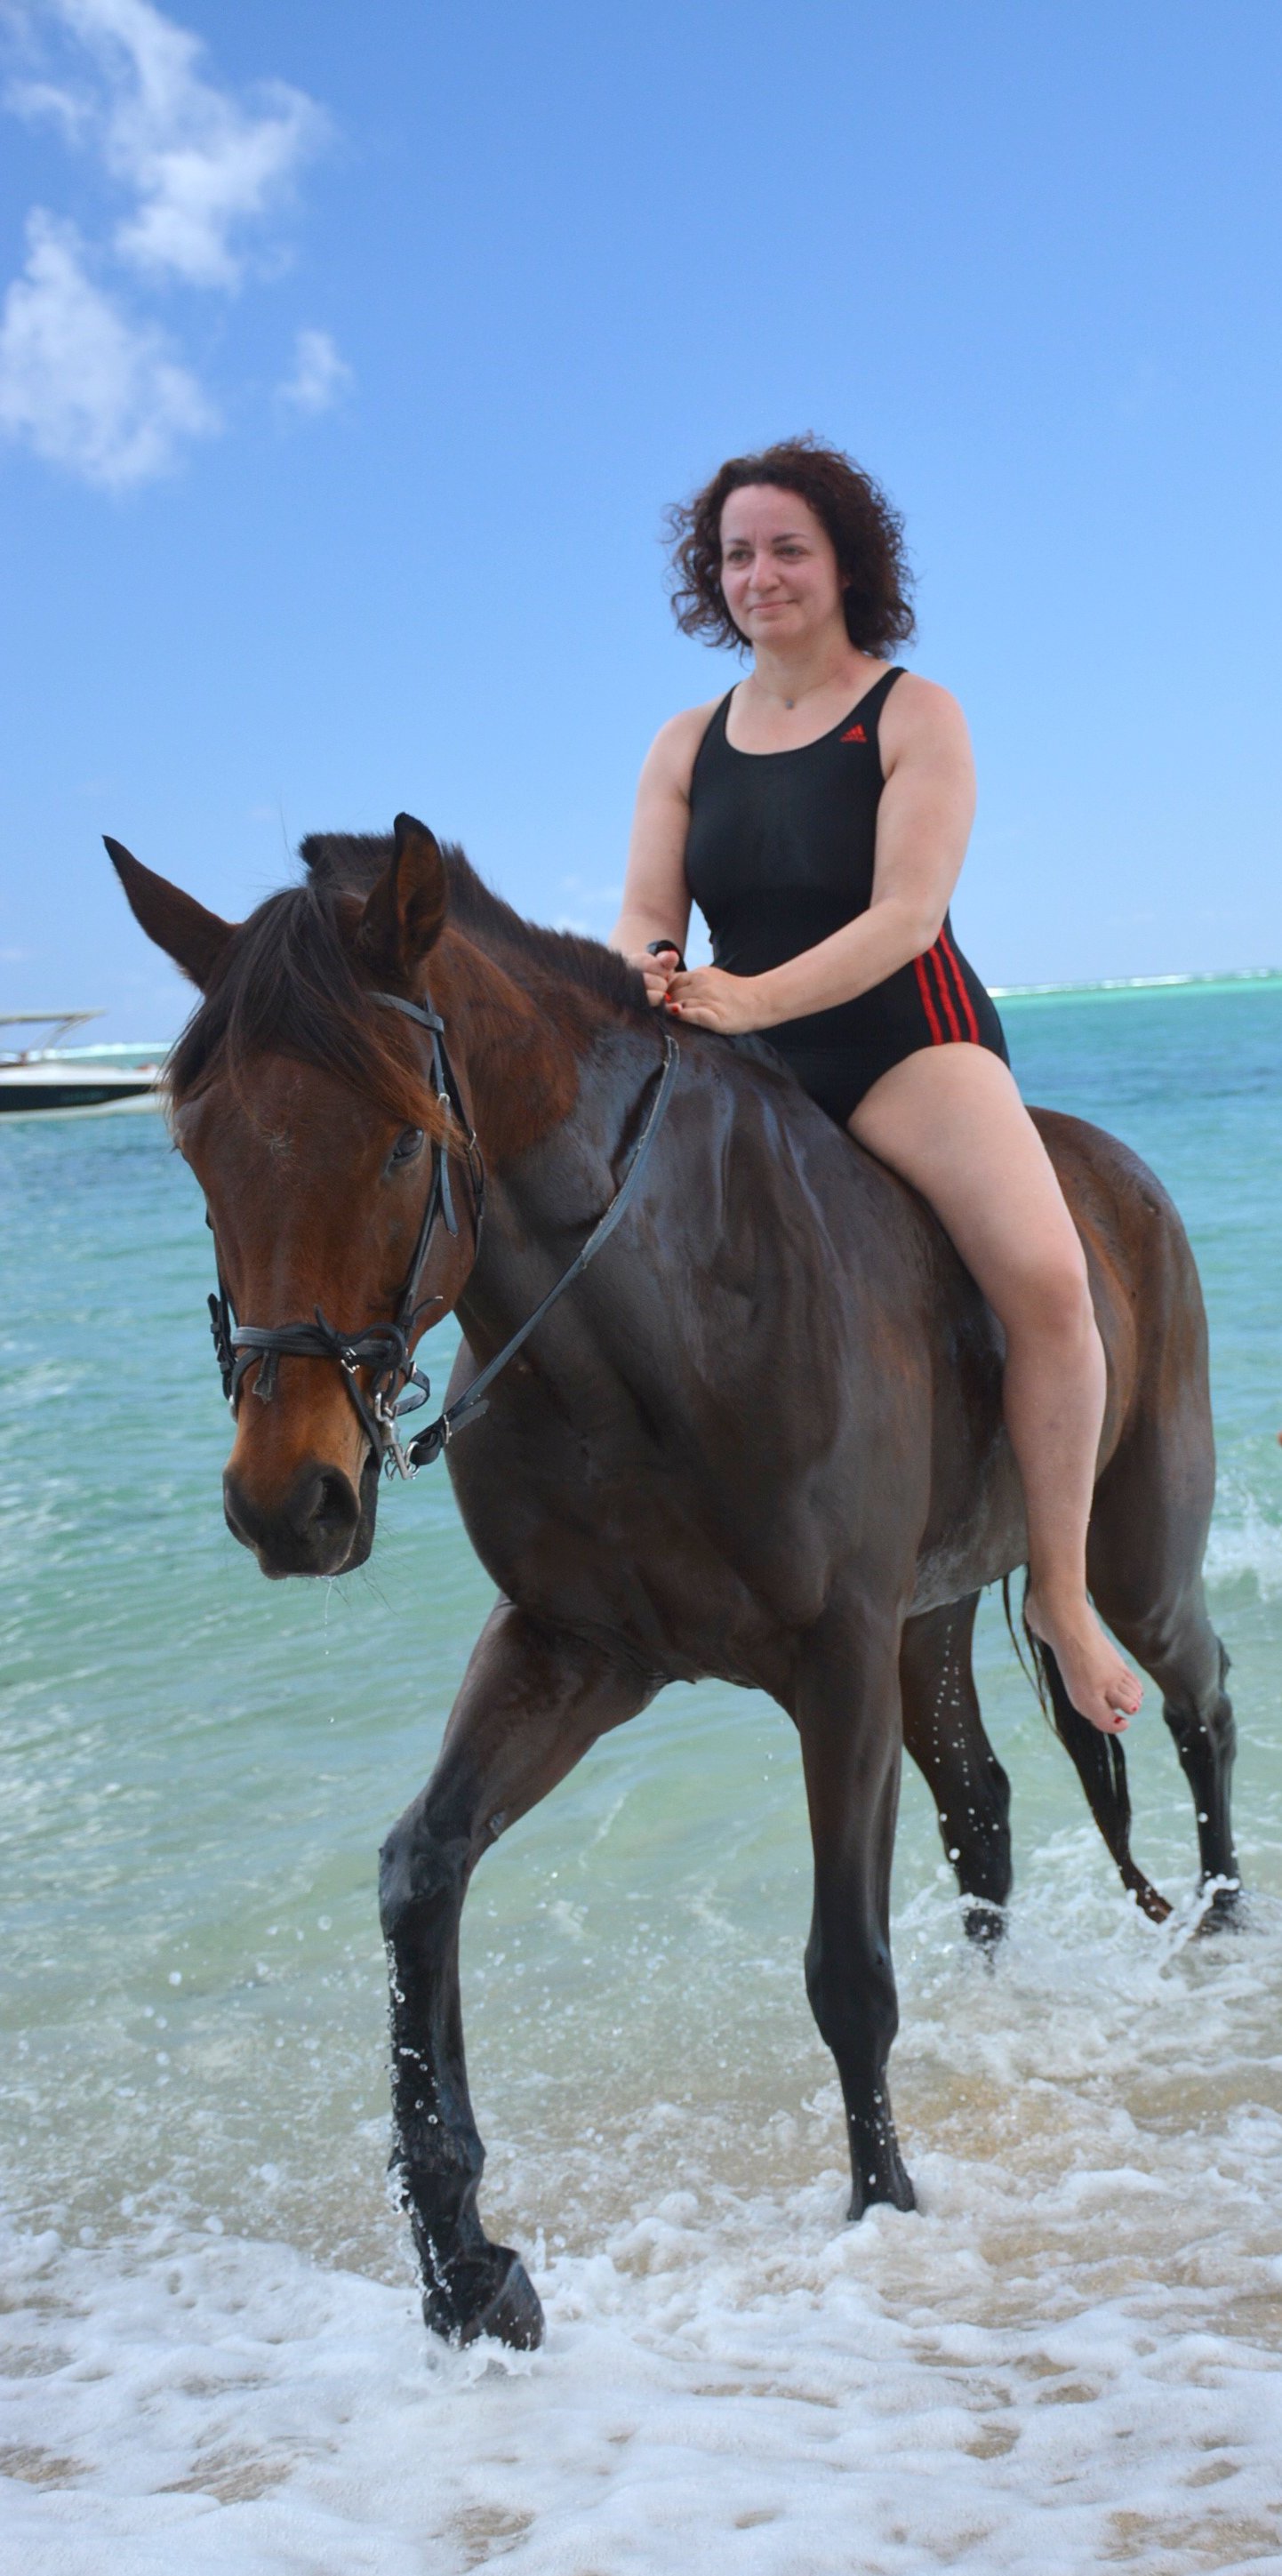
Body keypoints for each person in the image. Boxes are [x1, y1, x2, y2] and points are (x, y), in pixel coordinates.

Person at [609, 437, 1142, 1737]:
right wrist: (654, 970)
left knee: (1049, 1283)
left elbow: (906, 916)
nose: (760, 575)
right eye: (736, 554)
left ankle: (1061, 1595)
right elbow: (642, 911)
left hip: (902, 1041)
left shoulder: (912, 713)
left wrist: (748, 1001)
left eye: (788, 549)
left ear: (845, 562)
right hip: (739, 1060)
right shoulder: (684, 742)